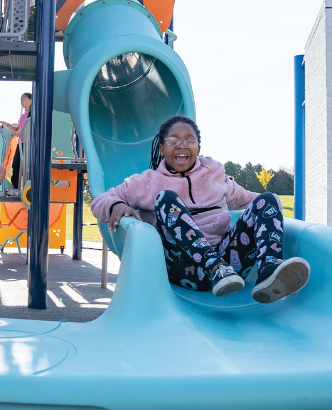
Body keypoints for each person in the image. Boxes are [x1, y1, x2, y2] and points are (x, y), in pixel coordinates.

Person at [91, 115, 311, 301]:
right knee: (166, 199)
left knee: (268, 199)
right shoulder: (146, 182)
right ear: (161, 147)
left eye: (189, 141)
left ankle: (268, 270)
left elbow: (253, 202)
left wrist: (269, 208)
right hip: (183, 267)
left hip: (231, 269)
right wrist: (116, 204)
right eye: (173, 140)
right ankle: (213, 266)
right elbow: (100, 200)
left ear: (198, 148)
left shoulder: (215, 176)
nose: (182, 146)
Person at [0, 92, 31, 189]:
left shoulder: (33, 114)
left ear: (31, 100)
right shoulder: (22, 115)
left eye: (24, 99)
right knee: (16, 164)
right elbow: (16, 129)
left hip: (30, 143)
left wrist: (23, 129)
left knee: (27, 165)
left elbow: (33, 126)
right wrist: (6, 124)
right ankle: (16, 187)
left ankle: (28, 185)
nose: (21, 101)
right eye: (21, 99)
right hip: (21, 142)